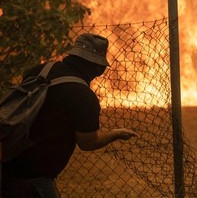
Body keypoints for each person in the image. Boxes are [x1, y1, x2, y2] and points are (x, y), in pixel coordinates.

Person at [1, 33, 138, 197]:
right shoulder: (84, 97)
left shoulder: (40, 71)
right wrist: (117, 134)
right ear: (96, 67)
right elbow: (88, 142)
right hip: (35, 180)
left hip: (7, 165)